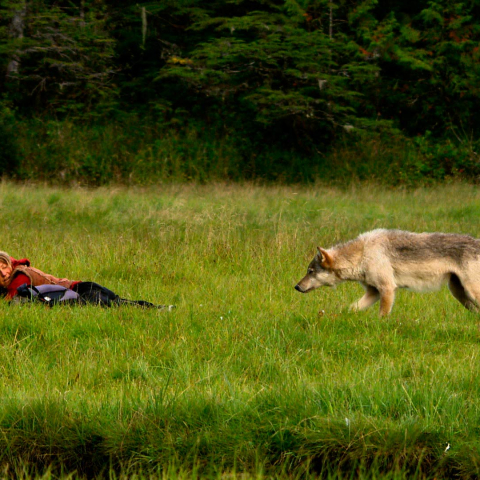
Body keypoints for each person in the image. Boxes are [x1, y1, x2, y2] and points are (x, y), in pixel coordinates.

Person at [0, 251, 173, 309]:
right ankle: (158, 309)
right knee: (120, 304)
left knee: (117, 305)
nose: (4, 273)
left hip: (80, 291)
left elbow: (13, 302)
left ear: (10, 263)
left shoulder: (20, 275)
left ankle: (158, 309)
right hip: (79, 288)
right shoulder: (15, 275)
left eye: (3, 267)